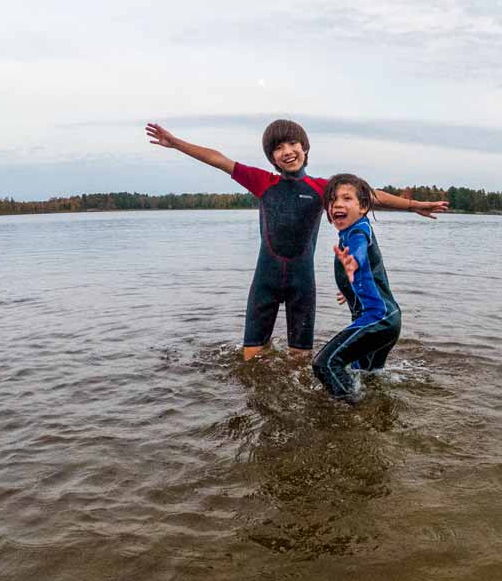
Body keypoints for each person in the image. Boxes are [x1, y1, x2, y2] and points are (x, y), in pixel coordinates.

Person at [145, 119, 446, 360]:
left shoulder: (322, 188)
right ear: (271, 157)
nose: (287, 151)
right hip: (264, 282)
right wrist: (175, 144)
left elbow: (368, 194)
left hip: (303, 284)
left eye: (292, 143)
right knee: (251, 359)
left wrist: (413, 205)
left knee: (300, 362)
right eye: (278, 148)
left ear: (304, 148)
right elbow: (219, 160)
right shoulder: (263, 182)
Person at [312, 174, 401, 401]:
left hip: (377, 318)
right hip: (388, 320)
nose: (338, 204)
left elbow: (358, 249)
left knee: (325, 364)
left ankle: (350, 416)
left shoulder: (357, 232)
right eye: (332, 200)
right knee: (366, 376)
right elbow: (373, 273)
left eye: (346, 198)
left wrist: (355, 261)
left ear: (363, 207)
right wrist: (351, 288)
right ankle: (373, 415)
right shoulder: (354, 230)